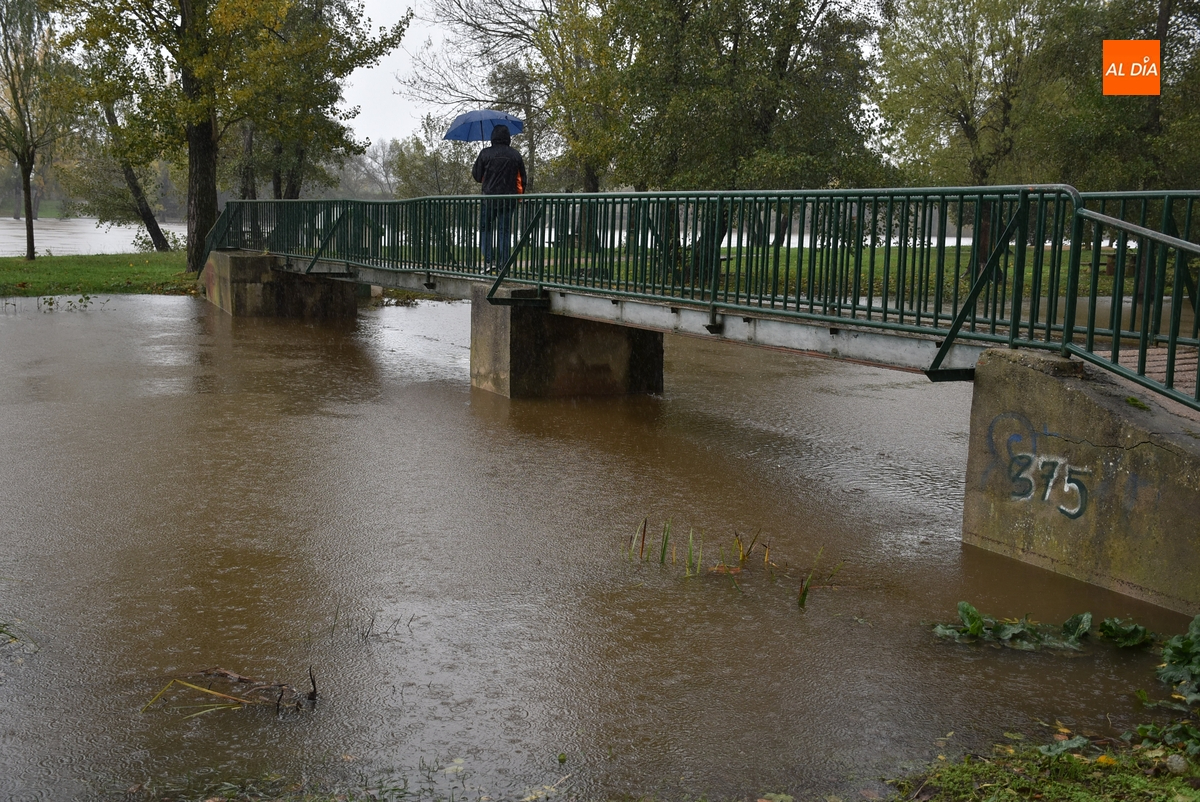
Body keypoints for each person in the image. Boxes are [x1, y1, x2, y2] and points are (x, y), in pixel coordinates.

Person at [471, 124, 527, 272]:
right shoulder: (515, 155)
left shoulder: (485, 153)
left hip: (488, 199)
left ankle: (489, 261)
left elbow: (477, 176)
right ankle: (504, 264)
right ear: (508, 137)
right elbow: (522, 179)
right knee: (505, 231)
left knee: (486, 229)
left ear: (493, 137)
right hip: (508, 199)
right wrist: (519, 196)